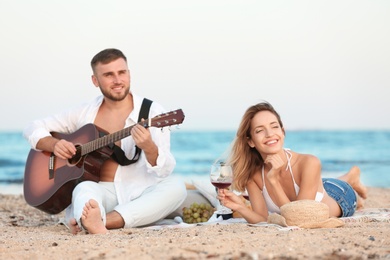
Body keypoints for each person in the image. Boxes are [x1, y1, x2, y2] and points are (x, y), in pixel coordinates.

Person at [23, 48, 187, 234]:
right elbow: (32, 127)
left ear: (129, 74)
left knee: (176, 187)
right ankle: (94, 216)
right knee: (83, 189)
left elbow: (165, 170)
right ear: (95, 80)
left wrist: (149, 147)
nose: (118, 80)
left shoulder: (151, 111)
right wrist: (54, 145)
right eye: (109, 75)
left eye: (122, 72)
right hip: (101, 191)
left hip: (141, 191)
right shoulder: (85, 112)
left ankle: (100, 221)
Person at [218, 101, 367, 224]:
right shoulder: (254, 175)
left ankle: (350, 180)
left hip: (340, 195)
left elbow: (298, 218)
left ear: (282, 132)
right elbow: (262, 219)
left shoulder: (309, 162)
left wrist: (274, 181)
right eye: (259, 130)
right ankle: (350, 177)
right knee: (320, 183)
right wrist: (240, 207)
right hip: (315, 187)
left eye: (274, 126)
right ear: (250, 141)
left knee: (329, 186)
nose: (270, 134)